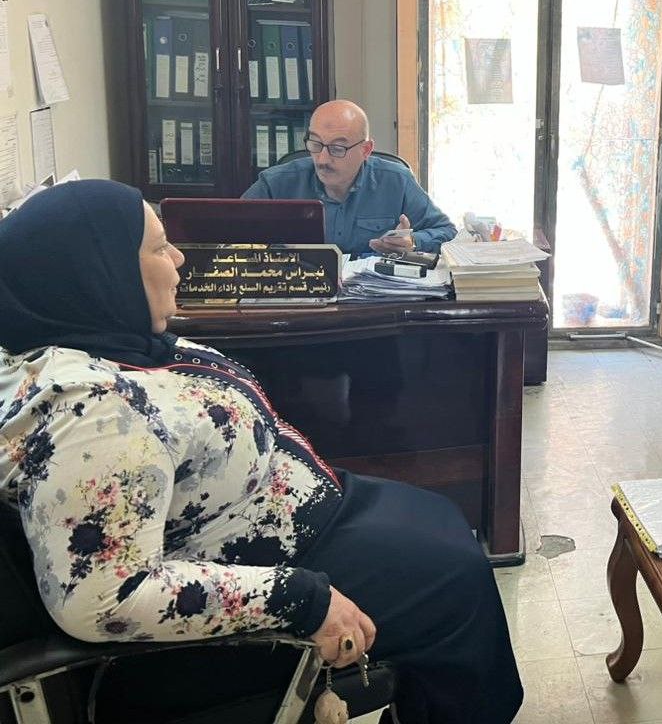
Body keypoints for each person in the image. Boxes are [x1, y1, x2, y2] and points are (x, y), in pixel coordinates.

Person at [0, 180, 521, 722]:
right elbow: (104, 599)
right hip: (264, 580)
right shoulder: (94, 418)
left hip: (279, 518)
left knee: (440, 524)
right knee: (455, 584)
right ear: (97, 276)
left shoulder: (103, 340)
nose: (178, 259)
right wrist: (302, 599)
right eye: (158, 247)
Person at [242, 99, 457, 256]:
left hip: (372, 297)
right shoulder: (275, 184)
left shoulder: (397, 181)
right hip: (300, 293)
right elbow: (230, 234)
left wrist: (413, 241)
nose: (322, 159)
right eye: (315, 144)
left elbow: (447, 232)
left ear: (366, 150)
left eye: (337, 148)